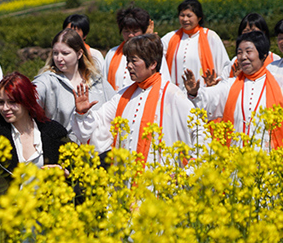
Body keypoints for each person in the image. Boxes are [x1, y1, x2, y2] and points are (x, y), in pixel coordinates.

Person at [72, 34, 195, 165]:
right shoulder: (122, 96)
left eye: (134, 61)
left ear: (153, 63)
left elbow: (199, 136)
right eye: (128, 61)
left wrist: (186, 174)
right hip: (126, 179)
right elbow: (98, 124)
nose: (129, 66)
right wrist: (82, 114)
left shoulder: (172, 95)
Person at [185, 31, 283, 150]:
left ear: (262, 55)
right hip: (236, 161)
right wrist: (194, 93)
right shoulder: (230, 85)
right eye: (239, 53)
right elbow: (207, 99)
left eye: (248, 51)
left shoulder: (282, 85)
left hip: (270, 160)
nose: (243, 57)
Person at [33, 29, 107, 143]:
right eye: (55, 53)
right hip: (64, 153)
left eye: (65, 53)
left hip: (99, 152)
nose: (59, 58)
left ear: (79, 54)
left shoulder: (97, 80)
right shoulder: (47, 80)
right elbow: (30, 95)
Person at [161, 0, 230, 93]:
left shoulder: (210, 37)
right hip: (175, 95)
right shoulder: (170, 37)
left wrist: (216, 82)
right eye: (182, 15)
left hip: (203, 94)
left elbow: (225, 66)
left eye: (189, 16)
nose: (185, 19)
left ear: (199, 18)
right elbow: (155, 56)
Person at [103, 5, 167, 96]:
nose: (130, 35)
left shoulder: (151, 53)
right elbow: (105, 84)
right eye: (126, 31)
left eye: (135, 31)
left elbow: (163, 81)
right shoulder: (112, 53)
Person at [226, 13, 278, 78]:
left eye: (254, 31)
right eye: (246, 31)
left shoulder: (274, 60)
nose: (250, 35)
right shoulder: (235, 61)